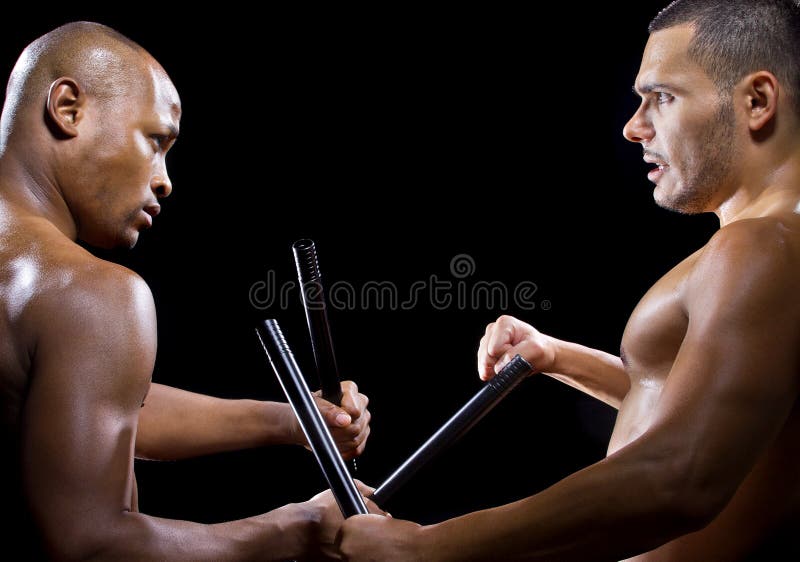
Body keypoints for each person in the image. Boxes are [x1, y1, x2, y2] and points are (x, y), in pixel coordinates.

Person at [337, 0, 800, 560]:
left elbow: (680, 477)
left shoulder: (762, 247)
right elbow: (708, 410)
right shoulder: (766, 245)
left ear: (756, 101)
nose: (634, 127)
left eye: (663, 97)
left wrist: (425, 548)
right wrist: (555, 356)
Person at [0, 21, 380, 560]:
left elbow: (84, 399)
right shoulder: (90, 293)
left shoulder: (29, 285)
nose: (165, 179)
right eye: (155, 142)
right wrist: (299, 526)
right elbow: (92, 546)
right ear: (67, 109)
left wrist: (294, 420)